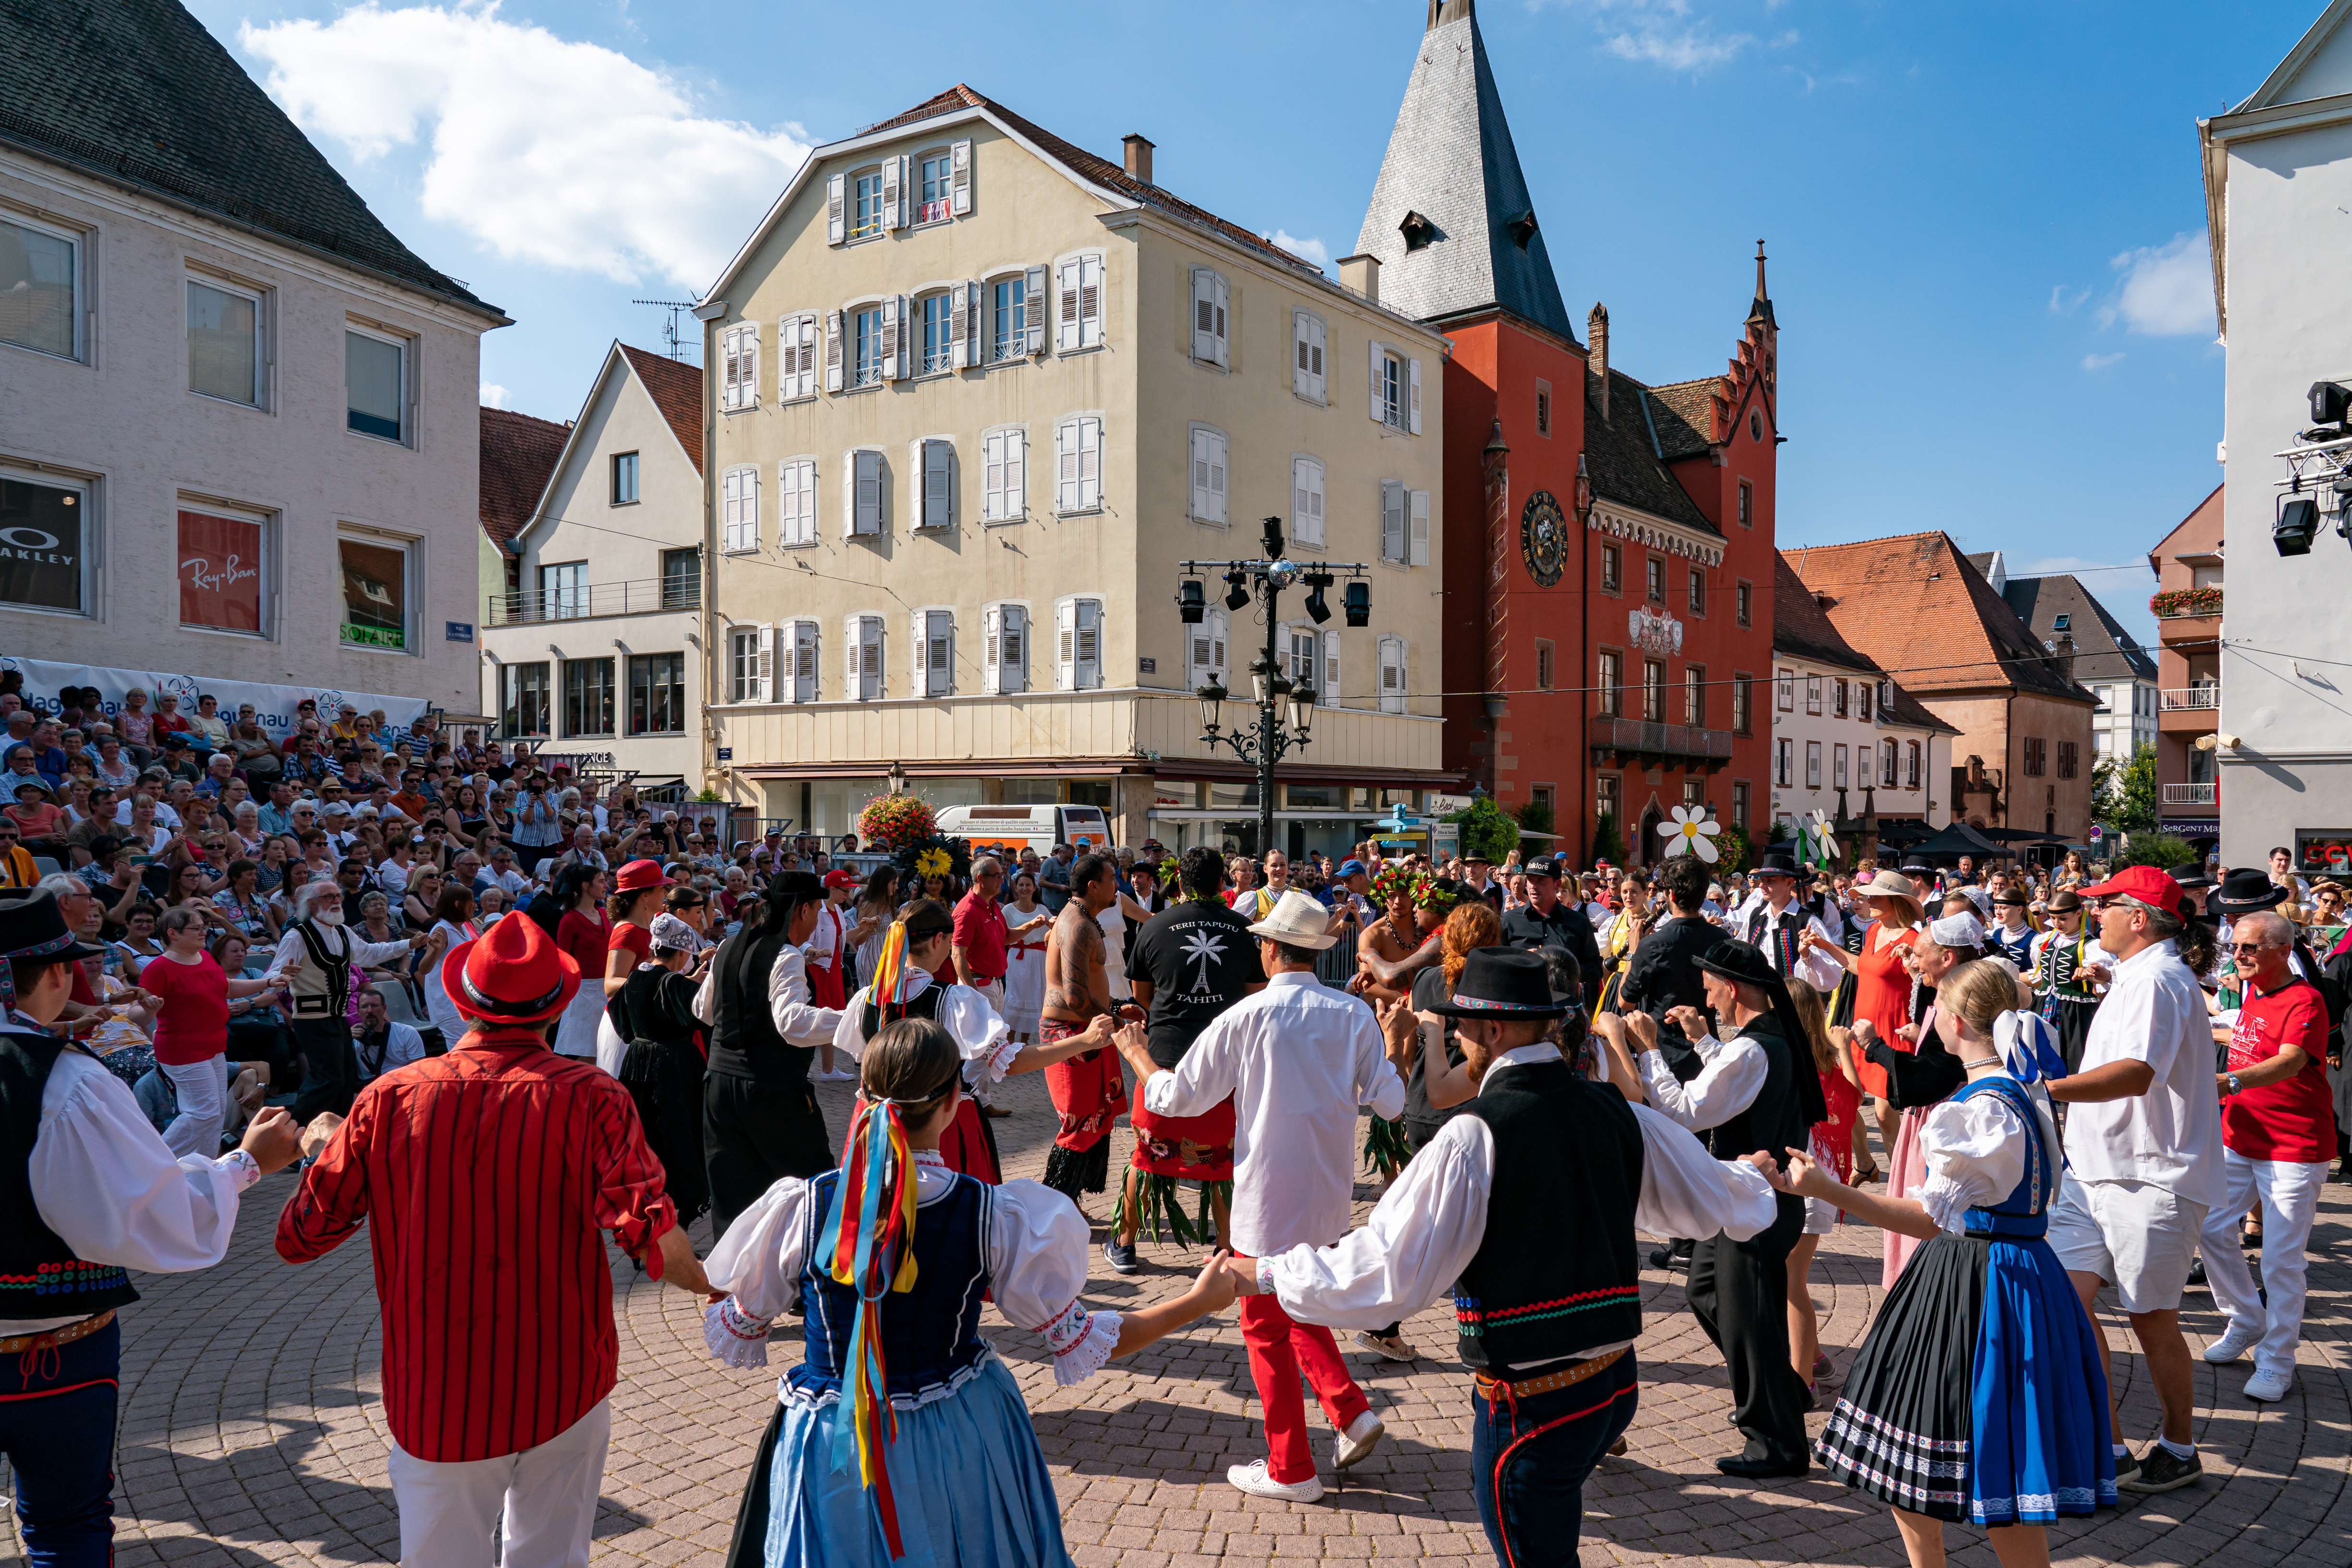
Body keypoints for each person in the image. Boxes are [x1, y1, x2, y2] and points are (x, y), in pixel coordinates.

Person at [1214, 947, 1779, 1562]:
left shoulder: (1472, 1134)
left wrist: (1265, 1272)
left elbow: (1387, 1270)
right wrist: (1750, 1179)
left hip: (1535, 1401)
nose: (1454, 1034)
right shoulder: (1614, 1111)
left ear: (1491, 1028)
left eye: (1460, 1023)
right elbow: (1703, 1192)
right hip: (1615, 1384)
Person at [701, 1017, 1239, 1568]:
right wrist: (1197, 1302)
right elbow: (1079, 1337)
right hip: (956, 1432)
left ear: (861, 1097)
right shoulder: (991, 1214)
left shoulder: (802, 1206)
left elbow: (740, 1316)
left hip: (830, 1440)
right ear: (954, 1101)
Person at [277, 912, 711, 1568]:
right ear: (555, 1008)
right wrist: (721, 1286)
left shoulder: (389, 1098)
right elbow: (652, 1233)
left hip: (437, 1388)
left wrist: (320, 1148)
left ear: (462, 1001)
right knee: (552, 1556)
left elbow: (300, 1238)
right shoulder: (592, 1096)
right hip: (562, 1376)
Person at [0, 887, 305, 1568]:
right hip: (52, 1349)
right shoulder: (67, 1082)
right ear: (54, 975)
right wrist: (246, 1166)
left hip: (51, 1347)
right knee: (65, 1528)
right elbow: (156, 1221)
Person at [1797, 959, 2117, 1566]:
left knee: (1950, 1464)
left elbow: (1927, 1217)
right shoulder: (2021, 1088)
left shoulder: (1975, 1108)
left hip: (1973, 1279)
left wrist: (1827, 1187)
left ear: (1955, 1018)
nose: (1930, 1018)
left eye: (1936, 1007)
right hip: (2021, 1274)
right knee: (1994, 1476)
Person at [1111, 888, 1405, 1500]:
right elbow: (1390, 1101)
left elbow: (1175, 1098)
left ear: (1269, 949)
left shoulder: (1246, 1017)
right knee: (1291, 1303)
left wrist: (1137, 1054)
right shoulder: (1350, 1014)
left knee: (1264, 1321)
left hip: (1266, 1196)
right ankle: (1348, 1411)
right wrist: (1395, 1041)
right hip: (1326, 1192)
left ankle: (1291, 1465)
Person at [2041, 864, 2221, 1494]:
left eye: (2106, 905)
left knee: (2150, 1318)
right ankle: (2108, 1445)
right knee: (2064, 1301)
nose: (2096, 915)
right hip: (2097, 1174)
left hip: (2149, 1178)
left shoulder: (2158, 979)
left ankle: (2177, 1445)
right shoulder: (2140, 975)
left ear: (2138, 917)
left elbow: (2137, 1071)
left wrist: (2046, 1088)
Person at [1630, 939, 1828, 1478]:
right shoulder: (1763, 1040)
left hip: (1754, 1202)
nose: (1706, 995)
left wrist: (1649, 1049)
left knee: (1750, 1319)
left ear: (1733, 987)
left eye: (1710, 986)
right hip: (1750, 1198)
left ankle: (1776, 1444)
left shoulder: (1752, 1049)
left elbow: (1686, 1110)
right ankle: (1781, 1394)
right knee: (1705, 1289)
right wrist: (1703, 1040)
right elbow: (1736, 1081)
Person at [2197, 908, 2336, 1403]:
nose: (2237, 954)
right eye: (2234, 945)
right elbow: (2241, 1035)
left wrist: (2227, 1080)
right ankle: (2245, 1318)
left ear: (2282, 950)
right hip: (2240, 1136)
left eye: (2249, 947)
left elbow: (2290, 1059)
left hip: (2294, 1147)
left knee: (2280, 1258)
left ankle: (2277, 1360)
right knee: (2210, 1227)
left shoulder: (2306, 1000)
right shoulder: (2252, 990)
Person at [1108, 845, 1266, 1274]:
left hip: (1163, 1058)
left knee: (1146, 1153)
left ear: (1178, 882)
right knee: (1224, 1156)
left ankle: (1124, 1243)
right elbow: (1255, 997)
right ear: (1222, 883)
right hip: (1226, 1063)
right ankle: (1229, 1247)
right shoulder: (1243, 928)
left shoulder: (1155, 926)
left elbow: (1142, 1000)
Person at [696, 873, 845, 1238]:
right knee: (811, 1184)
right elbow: (793, 1024)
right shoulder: (787, 956)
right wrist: (858, 1017)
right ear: (804, 909)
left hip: (719, 1087)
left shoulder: (730, 946)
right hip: (770, 1090)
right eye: (818, 907)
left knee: (734, 1193)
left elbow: (703, 1010)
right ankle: (808, 1278)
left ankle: (736, 1285)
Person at [264, 880, 436, 1122]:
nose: (336, 901)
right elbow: (273, 972)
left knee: (345, 1078)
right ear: (312, 904)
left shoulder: (343, 932)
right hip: (312, 1019)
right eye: (329, 897)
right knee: (328, 1079)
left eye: (338, 896)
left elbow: (370, 953)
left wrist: (409, 944)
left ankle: (337, 1131)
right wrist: (278, 978)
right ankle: (294, 1132)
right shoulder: (298, 935)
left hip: (338, 1016)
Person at [135, 907, 278, 1158]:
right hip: (184, 1051)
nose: (204, 931)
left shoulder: (205, 957)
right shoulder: (159, 968)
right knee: (204, 1113)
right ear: (173, 933)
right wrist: (149, 1009)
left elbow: (227, 987)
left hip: (213, 1047)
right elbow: (137, 1014)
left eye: (204, 926)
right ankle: (156, 1163)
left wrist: (267, 982)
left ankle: (205, 1173)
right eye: (197, 928)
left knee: (216, 1113)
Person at [1782, 978, 1861, 1404]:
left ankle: (1803, 1382)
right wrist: (1845, 1050)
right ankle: (1816, 1362)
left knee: (1791, 1279)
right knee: (1789, 1277)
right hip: (1819, 1172)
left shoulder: (1791, 1059)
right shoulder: (1826, 1057)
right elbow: (1855, 1095)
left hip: (1807, 1176)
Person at [1038, 853, 1130, 1203]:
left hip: (1089, 1030)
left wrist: (1117, 1008)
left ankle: (1070, 1197)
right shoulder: (1076, 924)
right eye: (1112, 877)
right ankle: (1055, 1202)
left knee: (1097, 1116)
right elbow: (1075, 996)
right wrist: (1118, 1022)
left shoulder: (1083, 918)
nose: (1117, 883)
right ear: (1093, 886)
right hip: (1073, 1034)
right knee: (1078, 1123)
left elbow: (1085, 989)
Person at [610, 913, 712, 1227]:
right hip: (672, 1066)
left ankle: (643, 1208)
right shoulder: (674, 982)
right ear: (682, 953)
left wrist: (686, 982)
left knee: (645, 1138)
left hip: (638, 1061)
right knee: (680, 1136)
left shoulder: (637, 976)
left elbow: (623, 1022)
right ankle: (675, 1214)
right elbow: (700, 1016)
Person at [1499, 855, 1603, 1003]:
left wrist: (1561, 968)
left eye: (1541, 881)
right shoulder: (1510, 920)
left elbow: (1596, 970)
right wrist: (1521, 961)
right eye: (1530, 880)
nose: (1533, 886)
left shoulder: (1578, 921)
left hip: (1565, 1010)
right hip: (1522, 1007)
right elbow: (1496, 965)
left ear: (1557, 884)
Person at [1739, 851, 1843, 994]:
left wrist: (1806, 955)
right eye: (1762, 880)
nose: (1762, 885)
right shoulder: (1756, 916)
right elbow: (1742, 952)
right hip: (1758, 995)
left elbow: (1830, 975)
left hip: (1791, 999)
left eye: (1770, 881)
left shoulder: (1808, 922)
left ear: (1789, 882)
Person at [2029, 890, 2106, 1073]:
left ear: (2079, 913)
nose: (2057, 924)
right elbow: (2039, 977)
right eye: (2053, 918)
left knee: (2073, 1061)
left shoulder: (2091, 946)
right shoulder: (2044, 942)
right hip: (2041, 1007)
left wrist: (2092, 976)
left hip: (2075, 1014)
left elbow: (2103, 984)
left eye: (2063, 918)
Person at [999, 869, 1049, 1044]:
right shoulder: (1008, 910)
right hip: (1017, 958)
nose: (1024, 888)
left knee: (1034, 994)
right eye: (1021, 885)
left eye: (1028, 885)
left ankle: (1025, 1041)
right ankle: (1010, 1040)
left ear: (1035, 888)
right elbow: (1002, 935)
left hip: (1038, 959)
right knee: (1016, 995)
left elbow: (1052, 931)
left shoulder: (1042, 909)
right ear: (1016, 887)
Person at [352, 985, 427, 1084]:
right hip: (369, 1089)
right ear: (358, 1011)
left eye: (374, 1006)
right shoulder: (352, 1039)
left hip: (403, 1085)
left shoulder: (407, 1033)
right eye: (364, 1007)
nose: (369, 1011)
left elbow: (419, 1073)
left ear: (384, 1009)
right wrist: (344, 1039)